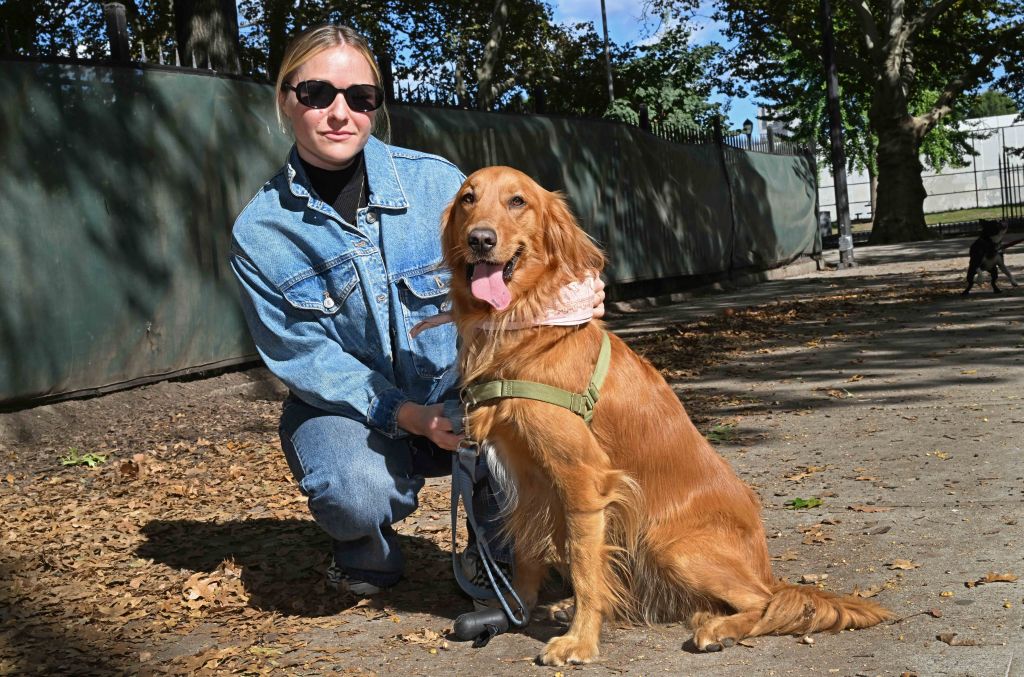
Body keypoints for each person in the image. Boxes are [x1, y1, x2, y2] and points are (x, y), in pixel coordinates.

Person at [229, 24, 604, 597]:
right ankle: (367, 549)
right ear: (285, 98)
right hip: (350, 409)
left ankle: (497, 545)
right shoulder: (261, 231)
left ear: (376, 105)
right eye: (316, 94)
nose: (339, 112)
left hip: (462, 389)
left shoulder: (442, 186)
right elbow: (301, 355)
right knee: (352, 489)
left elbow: (525, 264)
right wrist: (405, 414)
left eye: (360, 97)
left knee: (529, 422)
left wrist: (571, 298)